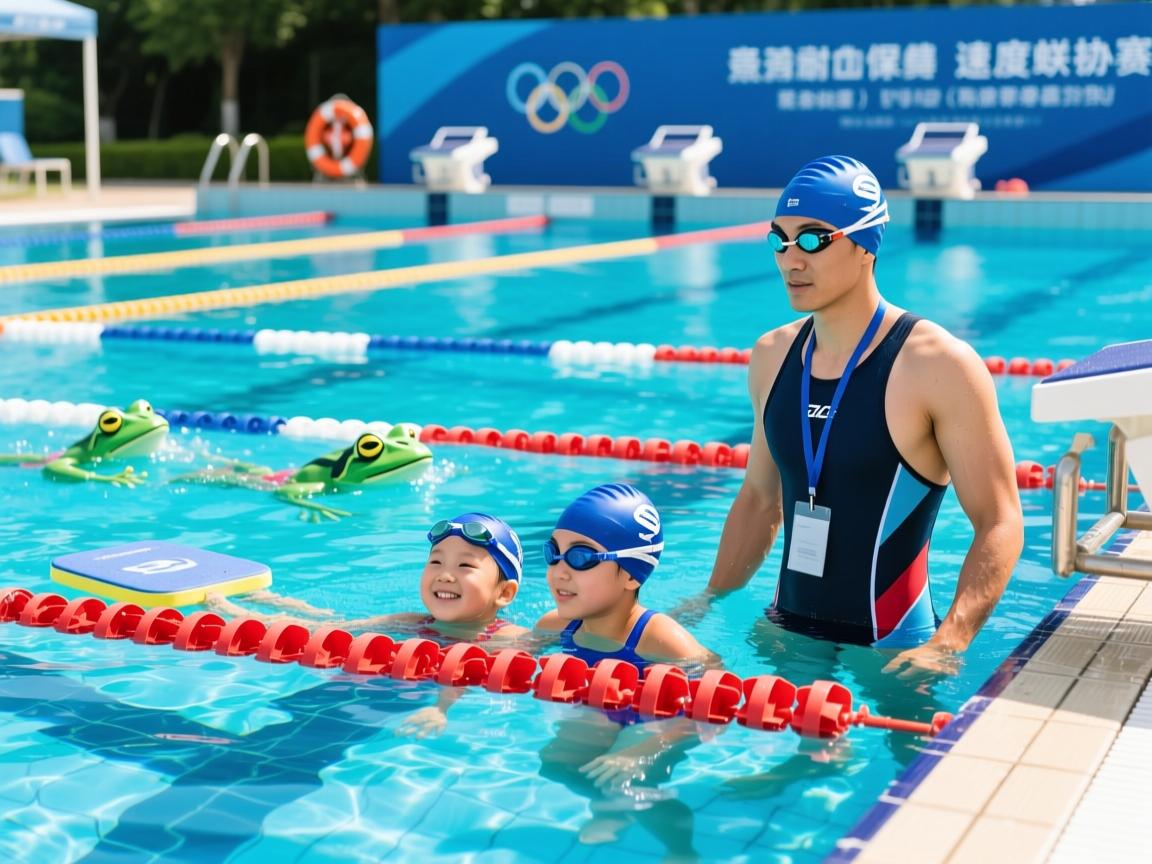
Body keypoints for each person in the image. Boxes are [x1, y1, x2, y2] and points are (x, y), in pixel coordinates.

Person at [706, 154, 1024, 678]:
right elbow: (760, 500)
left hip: (895, 646)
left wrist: (949, 643)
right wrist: (710, 601)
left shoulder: (937, 364)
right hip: (787, 629)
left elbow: (1000, 520)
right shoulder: (772, 357)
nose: (791, 259)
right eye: (779, 240)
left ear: (864, 245)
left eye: (812, 238)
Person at [533, 483, 714, 857]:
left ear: (632, 574)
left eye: (582, 557)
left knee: (630, 781)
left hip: (664, 719)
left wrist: (648, 746)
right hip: (606, 708)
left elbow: (716, 699)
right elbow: (498, 650)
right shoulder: (557, 625)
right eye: (554, 553)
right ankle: (610, 809)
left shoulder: (661, 638)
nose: (559, 571)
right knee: (554, 763)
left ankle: (681, 848)